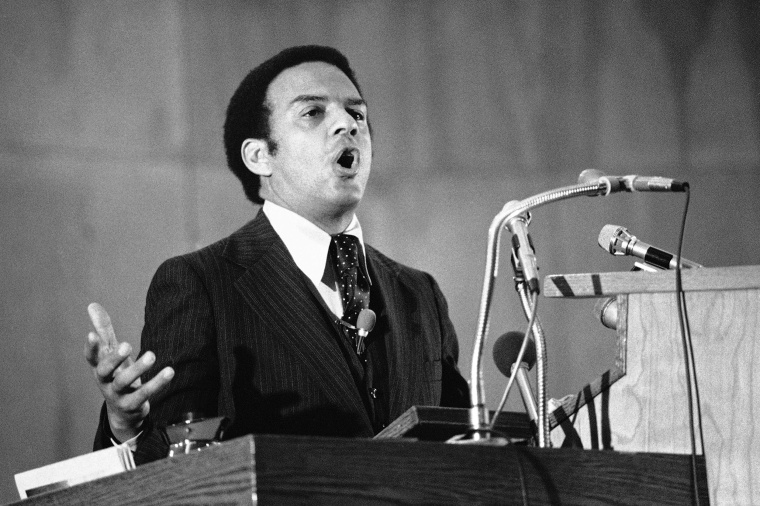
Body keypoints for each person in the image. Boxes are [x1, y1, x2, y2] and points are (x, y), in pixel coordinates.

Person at [84, 45, 470, 465]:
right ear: (260, 156)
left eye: (357, 113)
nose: (348, 124)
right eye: (313, 113)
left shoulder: (420, 293)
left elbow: (464, 449)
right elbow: (170, 463)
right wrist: (127, 426)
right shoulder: (201, 283)